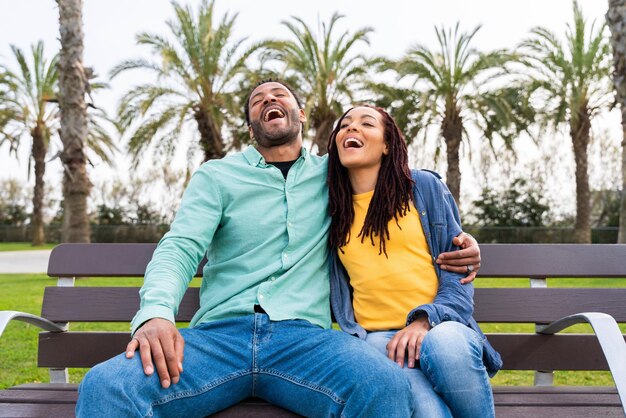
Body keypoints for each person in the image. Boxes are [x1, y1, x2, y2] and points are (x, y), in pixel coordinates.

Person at [76, 80, 479, 417]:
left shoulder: (333, 175)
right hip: (218, 339)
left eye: (280, 94)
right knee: (106, 386)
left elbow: (396, 188)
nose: (269, 99)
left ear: (300, 115)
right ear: (252, 126)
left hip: (305, 341)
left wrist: (464, 241)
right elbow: (179, 248)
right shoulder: (218, 176)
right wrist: (157, 314)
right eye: (258, 99)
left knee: (383, 383)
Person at [327, 105, 502, 418]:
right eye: (344, 125)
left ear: (387, 145)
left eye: (366, 123)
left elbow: (457, 275)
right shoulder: (329, 205)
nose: (351, 129)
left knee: (445, 344)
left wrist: (424, 321)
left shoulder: (423, 189)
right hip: (378, 338)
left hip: (441, 323)